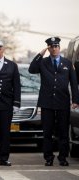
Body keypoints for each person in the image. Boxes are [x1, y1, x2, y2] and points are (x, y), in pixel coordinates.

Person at [28, 37, 79, 166]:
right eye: (51, 46)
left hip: (62, 102)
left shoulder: (67, 63)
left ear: (59, 47)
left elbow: (73, 82)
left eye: (56, 46)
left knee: (63, 132)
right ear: (48, 48)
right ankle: (48, 158)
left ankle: (63, 158)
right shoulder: (43, 62)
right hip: (47, 103)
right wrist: (40, 54)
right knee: (47, 132)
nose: (54, 48)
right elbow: (31, 69)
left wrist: (75, 100)